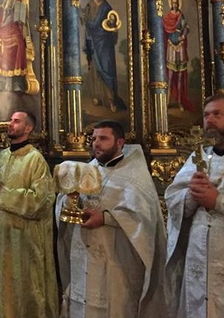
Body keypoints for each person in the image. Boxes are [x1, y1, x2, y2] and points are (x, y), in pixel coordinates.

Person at [56, 121, 167, 317]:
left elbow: (143, 217)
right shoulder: (86, 170)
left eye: (103, 138)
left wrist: (106, 219)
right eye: (94, 139)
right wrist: (69, 199)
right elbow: (64, 205)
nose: (96, 143)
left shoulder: (135, 175)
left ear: (120, 142)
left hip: (118, 258)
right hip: (83, 254)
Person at [165, 94, 224, 317]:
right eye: (206, 115)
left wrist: (218, 201)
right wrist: (190, 195)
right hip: (197, 255)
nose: (210, 120)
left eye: (217, 114)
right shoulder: (198, 158)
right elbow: (173, 201)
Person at [0, 110, 58, 317]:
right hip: (1, 236)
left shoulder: (35, 160)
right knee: (1, 284)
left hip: (24, 238)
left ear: (28, 128)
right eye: (11, 120)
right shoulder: (2, 156)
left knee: (24, 287)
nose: (10, 124)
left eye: (16, 121)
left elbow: (41, 201)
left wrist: (4, 193)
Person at [81, 0, 127, 112]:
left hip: (105, 44)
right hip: (94, 42)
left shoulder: (106, 7)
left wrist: (114, 31)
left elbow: (112, 24)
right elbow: (86, 22)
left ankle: (111, 99)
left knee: (107, 68)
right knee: (95, 69)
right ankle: (97, 96)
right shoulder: (89, 5)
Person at [163, 0, 194, 112]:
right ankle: (167, 101)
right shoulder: (167, 17)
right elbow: (164, 29)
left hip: (180, 46)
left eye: (176, 3)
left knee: (180, 76)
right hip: (171, 45)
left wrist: (183, 36)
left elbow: (186, 28)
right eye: (173, 3)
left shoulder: (181, 16)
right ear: (171, 4)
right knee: (170, 76)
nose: (174, 5)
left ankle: (180, 102)